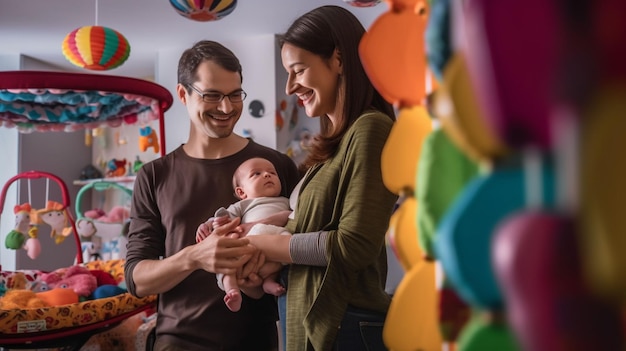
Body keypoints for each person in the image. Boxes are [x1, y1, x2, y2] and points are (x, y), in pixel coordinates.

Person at [212, 5, 398, 351]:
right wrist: (250, 258)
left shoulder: (370, 128)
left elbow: (352, 246)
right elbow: (301, 236)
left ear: (338, 60)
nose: (289, 86)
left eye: (298, 70)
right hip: (314, 321)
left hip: (346, 324)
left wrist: (262, 243)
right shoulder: (331, 149)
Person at [123, 40, 300, 351]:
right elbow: (137, 279)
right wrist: (194, 257)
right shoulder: (154, 175)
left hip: (258, 341)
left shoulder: (276, 167)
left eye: (234, 95)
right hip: (177, 342)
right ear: (183, 94)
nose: (226, 108)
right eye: (212, 95)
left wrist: (263, 268)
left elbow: (306, 245)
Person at [196, 157, 291, 312]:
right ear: (241, 192)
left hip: (272, 244)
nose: (267, 175)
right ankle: (232, 289)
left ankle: (269, 281)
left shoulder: (284, 201)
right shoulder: (243, 205)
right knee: (224, 256)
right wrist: (209, 224)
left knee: (286, 239)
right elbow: (223, 218)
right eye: (256, 174)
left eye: (272, 173)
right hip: (245, 248)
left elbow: (290, 216)